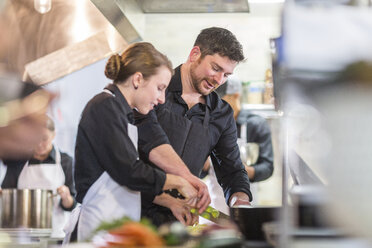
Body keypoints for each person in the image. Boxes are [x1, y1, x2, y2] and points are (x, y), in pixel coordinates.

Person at [64, 42, 198, 243]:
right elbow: (130, 172)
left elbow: (120, 183)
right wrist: (179, 181)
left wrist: (171, 202)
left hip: (114, 230)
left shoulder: (122, 113)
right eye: (160, 88)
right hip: (96, 232)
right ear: (138, 79)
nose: (162, 99)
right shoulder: (104, 107)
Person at [135, 27, 252, 226]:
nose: (219, 80)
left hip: (178, 222)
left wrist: (240, 203)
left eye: (226, 75)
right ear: (195, 54)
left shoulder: (221, 113)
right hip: (132, 211)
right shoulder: (154, 91)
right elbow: (126, 160)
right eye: (215, 68)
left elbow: (232, 171)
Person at [202, 76, 274, 213]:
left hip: (245, 202)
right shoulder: (210, 125)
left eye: (221, 101)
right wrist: (204, 166)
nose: (216, 107)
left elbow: (267, 168)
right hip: (214, 207)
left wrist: (235, 169)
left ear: (236, 96)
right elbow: (198, 173)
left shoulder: (256, 125)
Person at [0, 114, 76, 238]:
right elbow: (7, 193)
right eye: (36, 139)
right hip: (22, 235)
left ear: (54, 135)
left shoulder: (66, 161)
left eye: (44, 138)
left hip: (56, 234)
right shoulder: (18, 161)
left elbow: (71, 205)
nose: (39, 144)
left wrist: (66, 197)